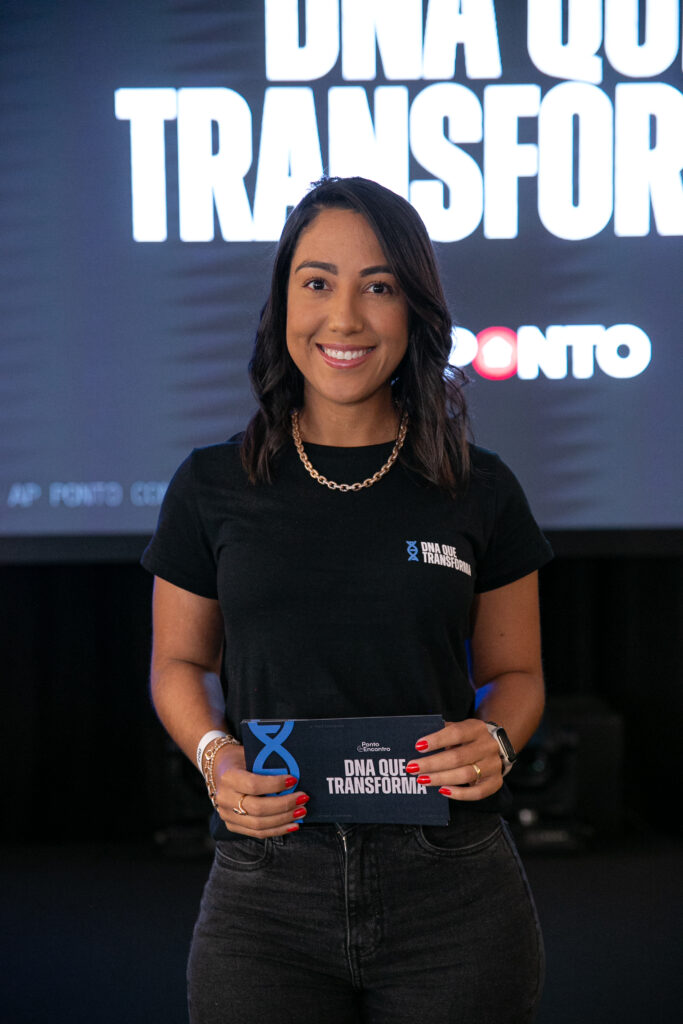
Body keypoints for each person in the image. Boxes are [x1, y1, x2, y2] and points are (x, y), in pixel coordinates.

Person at [141, 176, 553, 1024]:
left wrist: (498, 742)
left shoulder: (480, 489)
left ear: (414, 312)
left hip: (452, 889)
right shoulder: (211, 485)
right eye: (317, 283)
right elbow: (178, 662)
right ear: (283, 304)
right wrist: (216, 758)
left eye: (379, 287)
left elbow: (517, 675)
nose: (345, 318)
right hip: (266, 894)